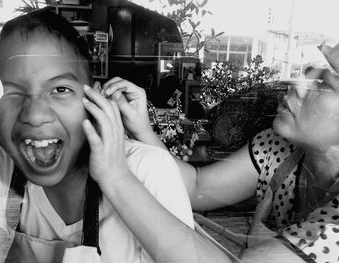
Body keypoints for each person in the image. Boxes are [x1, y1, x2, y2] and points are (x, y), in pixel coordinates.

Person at [0, 9, 200, 263]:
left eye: (60, 89)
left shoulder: (147, 171)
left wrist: (116, 178)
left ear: (94, 98)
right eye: (14, 91)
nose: (34, 115)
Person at [101, 44, 339, 262]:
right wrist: (142, 129)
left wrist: (116, 178)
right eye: (307, 74)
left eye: (324, 85)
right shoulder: (278, 147)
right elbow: (198, 187)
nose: (297, 85)